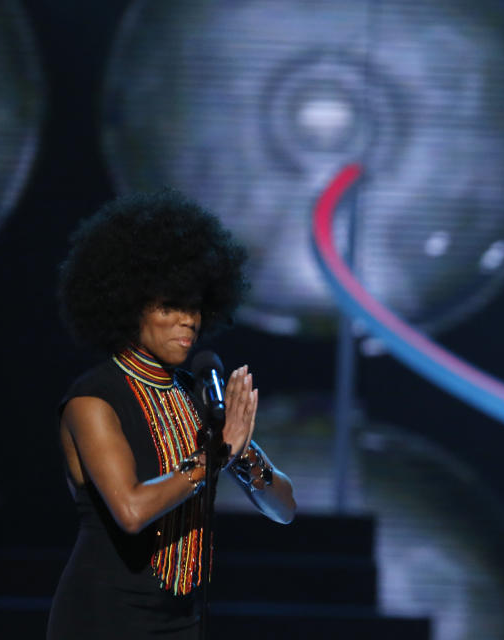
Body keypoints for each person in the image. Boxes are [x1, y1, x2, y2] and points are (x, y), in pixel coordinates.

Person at [47, 190, 297, 639]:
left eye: (194, 306)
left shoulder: (199, 397)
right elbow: (130, 509)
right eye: (170, 306)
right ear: (129, 305)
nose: (188, 321)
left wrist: (243, 456)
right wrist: (215, 455)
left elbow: (285, 508)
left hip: (183, 622)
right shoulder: (93, 399)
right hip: (103, 619)